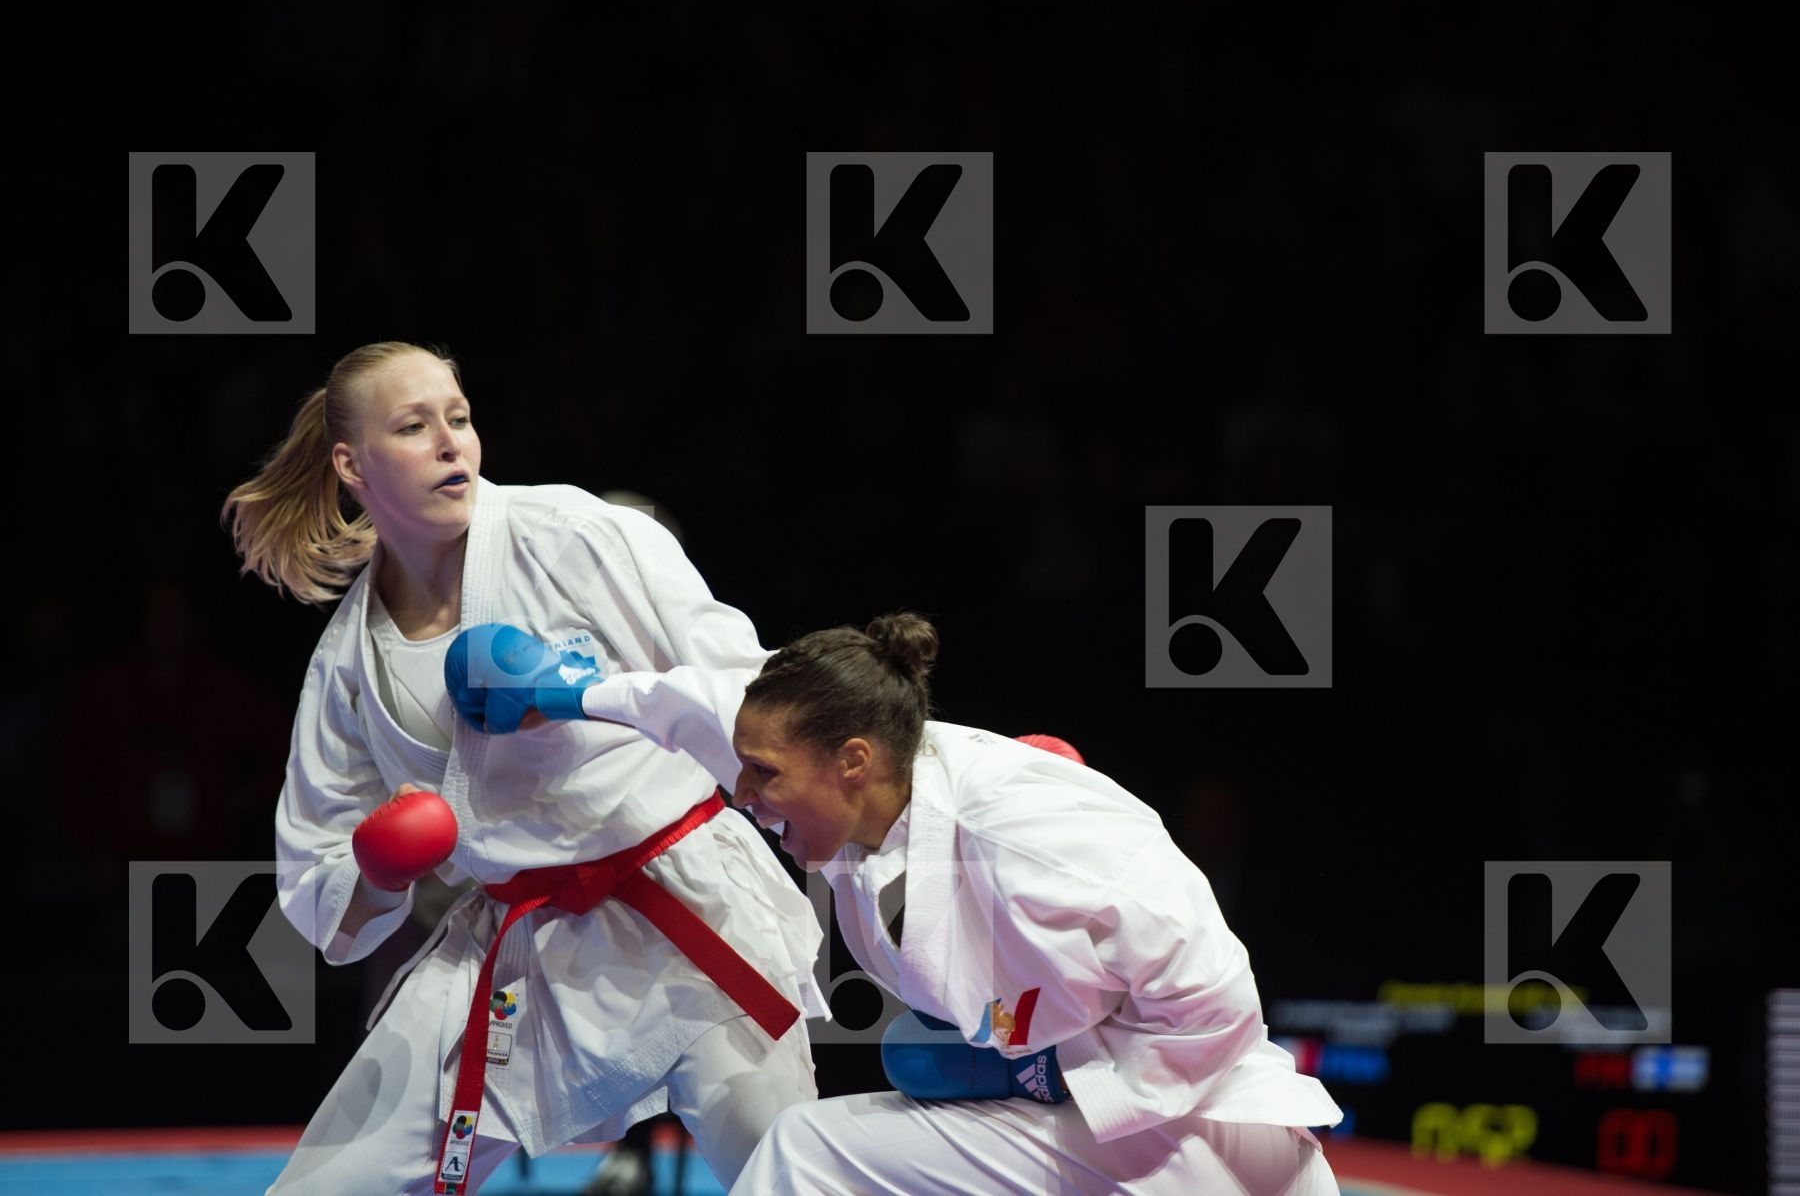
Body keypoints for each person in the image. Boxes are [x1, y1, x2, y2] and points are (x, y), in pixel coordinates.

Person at [452, 611, 1345, 1194]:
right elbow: (700, 707)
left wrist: (1046, 1076)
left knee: (807, 1156)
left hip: (1205, 1141)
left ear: (852, 762)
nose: (742, 796)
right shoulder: (837, 760)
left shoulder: (1021, 838)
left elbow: (1220, 1002)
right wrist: (562, 694)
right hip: (1107, 1129)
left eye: (761, 778)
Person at [220, 341, 825, 1196]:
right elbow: (328, 897)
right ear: (352, 464)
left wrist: (586, 694)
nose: (450, 443)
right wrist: (381, 865)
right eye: (414, 426)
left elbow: (750, 697)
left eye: (459, 419)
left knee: (793, 1180)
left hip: (687, 912)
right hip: (512, 945)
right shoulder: (350, 664)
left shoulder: (578, 536)